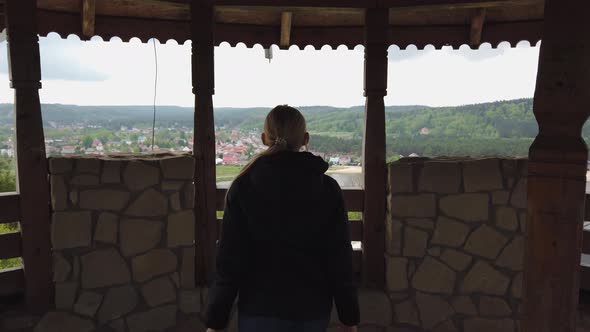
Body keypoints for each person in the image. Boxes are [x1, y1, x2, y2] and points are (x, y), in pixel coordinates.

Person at [205, 105, 359, 332]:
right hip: (312, 310)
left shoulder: (243, 186)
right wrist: (349, 317)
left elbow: (230, 260)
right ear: (305, 138)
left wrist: (216, 321)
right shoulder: (327, 189)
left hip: (258, 308)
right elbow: (340, 258)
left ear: (264, 138)